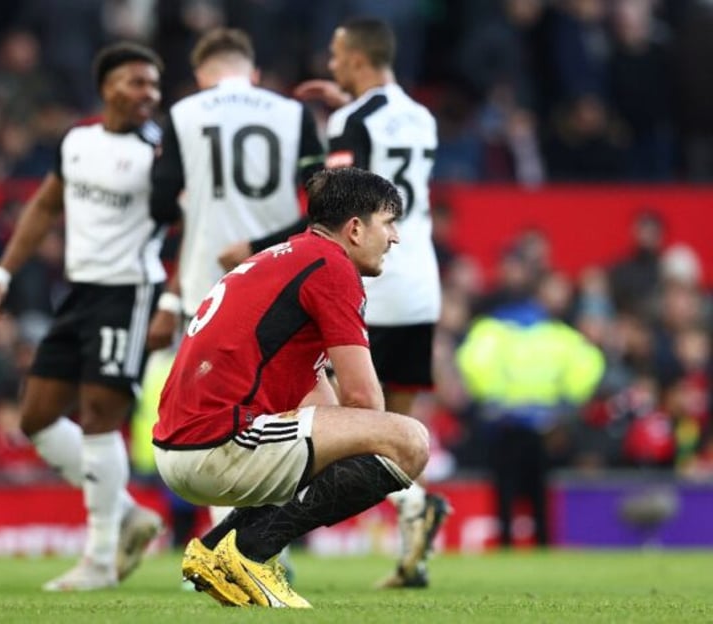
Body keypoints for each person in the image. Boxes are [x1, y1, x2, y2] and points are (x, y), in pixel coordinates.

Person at [227, 17, 451, 588]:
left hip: (367, 279)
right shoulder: (421, 116)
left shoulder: (352, 121)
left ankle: (264, 542)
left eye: (336, 55)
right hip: (420, 276)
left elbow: (334, 204)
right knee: (391, 426)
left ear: (355, 58)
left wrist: (254, 247)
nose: (330, 65)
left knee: (325, 415)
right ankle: (412, 522)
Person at [152, 167, 430, 608]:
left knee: (361, 444)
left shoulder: (284, 259)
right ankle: (248, 553)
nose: (394, 237)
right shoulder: (332, 268)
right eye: (388, 222)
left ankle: (216, 551)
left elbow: (328, 411)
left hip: (182, 446)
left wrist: (349, 446)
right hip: (216, 442)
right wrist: (375, 454)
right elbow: (364, 403)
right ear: (355, 229)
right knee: (410, 441)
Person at [0, 42, 167, 591]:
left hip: (128, 292)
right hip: (79, 291)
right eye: (136, 82)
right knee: (35, 415)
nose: (147, 95)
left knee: (100, 413)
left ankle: (101, 559)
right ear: (107, 86)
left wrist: (173, 300)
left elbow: (187, 216)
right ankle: (128, 513)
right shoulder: (78, 141)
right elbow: (43, 206)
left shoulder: (156, 153)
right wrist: (2, 274)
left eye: (153, 85)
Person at [148, 27, 324, 571]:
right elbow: (325, 200)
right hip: (284, 277)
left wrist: (191, 204)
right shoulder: (292, 112)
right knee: (286, 405)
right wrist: (265, 242)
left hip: (212, 282)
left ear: (203, 77)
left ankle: (232, 546)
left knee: (219, 418)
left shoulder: (184, 113)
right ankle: (273, 542)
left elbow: (159, 203)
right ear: (251, 73)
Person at [457, 273, 605, 547]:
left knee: (505, 490)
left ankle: (506, 543)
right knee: (539, 491)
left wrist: (492, 398)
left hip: (503, 422)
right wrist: (566, 402)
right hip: (545, 424)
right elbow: (589, 365)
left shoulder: (492, 330)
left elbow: (472, 361)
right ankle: (543, 542)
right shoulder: (559, 335)